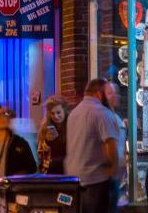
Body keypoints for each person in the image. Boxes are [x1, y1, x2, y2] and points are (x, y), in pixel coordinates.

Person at [65, 78, 123, 213]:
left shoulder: (74, 113)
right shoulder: (103, 113)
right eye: (107, 93)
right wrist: (114, 168)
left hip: (75, 178)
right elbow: (110, 144)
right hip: (97, 178)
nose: (111, 98)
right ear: (99, 93)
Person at [37, 96, 69, 174]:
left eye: (58, 112)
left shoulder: (71, 124)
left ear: (64, 111)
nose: (55, 116)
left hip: (66, 169)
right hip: (49, 170)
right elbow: (40, 152)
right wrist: (47, 142)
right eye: (52, 113)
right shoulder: (45, 127)